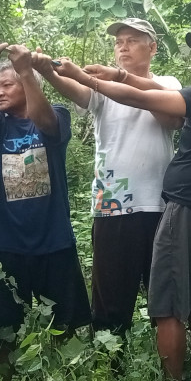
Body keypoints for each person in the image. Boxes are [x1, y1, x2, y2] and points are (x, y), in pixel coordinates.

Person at [53, 29, 191, 381]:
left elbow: (141, 98)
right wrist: (113, 75)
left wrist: (86, 77)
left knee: (167, 309)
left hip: (186, 210)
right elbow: (143, 89)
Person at [35, 18, 181, 338]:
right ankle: (110, 358)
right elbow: (78, 91)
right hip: (113, 203)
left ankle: (167, 358)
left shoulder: (168, 84)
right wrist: (48, 71)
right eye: (118, 42)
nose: (123, 47)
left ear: (153, 48)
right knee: (110, 298)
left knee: (165, 296)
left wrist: (107, 79)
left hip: (161, 203)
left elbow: (172, 119)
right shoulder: (100, 87)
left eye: (132, 40)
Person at [0, 39, 91, 373]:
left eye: (6, 85)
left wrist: (26, 70)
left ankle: (62, 377)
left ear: (26, 85)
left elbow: (45, 121)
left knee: (65, 324)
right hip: (5, 243)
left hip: (54, 241)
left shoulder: (57, 115)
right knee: (1, 330)